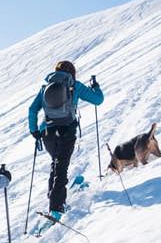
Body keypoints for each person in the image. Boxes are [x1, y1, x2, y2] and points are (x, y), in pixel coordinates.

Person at [27, 60, 104, 220]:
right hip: (67, 130)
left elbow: (32, 109)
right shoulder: (74, 85)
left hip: (47, 131)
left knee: (56, 163)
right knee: (61, 167)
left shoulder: (45, 87)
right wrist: (96, 87)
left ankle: (54, 197)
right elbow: (98, 100)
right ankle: (56, 207)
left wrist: (34, 130)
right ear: (72, 72)